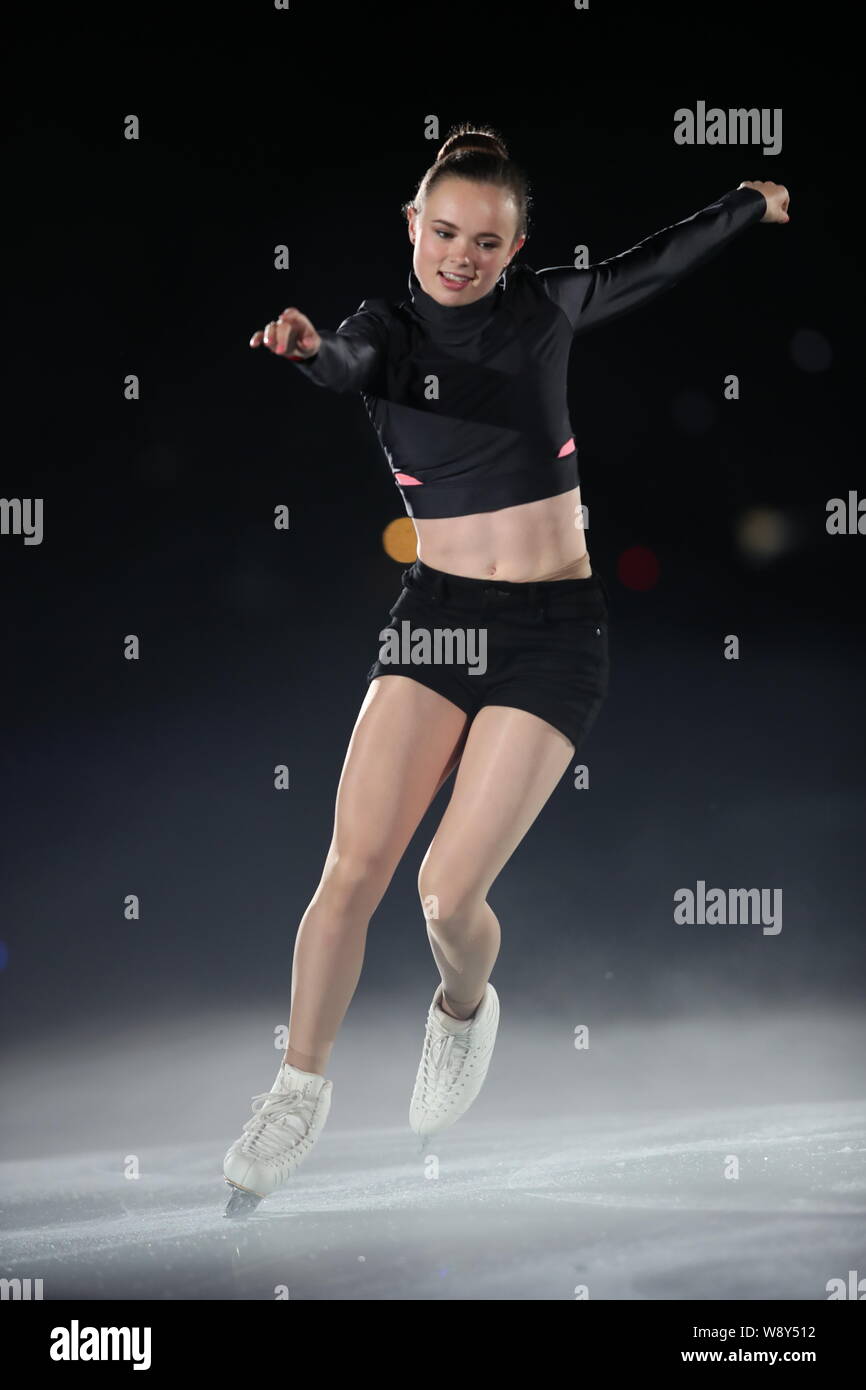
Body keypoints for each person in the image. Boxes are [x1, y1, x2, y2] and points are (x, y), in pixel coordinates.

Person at [223, 122, 789, 1216]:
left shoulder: (544, 310)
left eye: (485, 241)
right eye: (442, 232)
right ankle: (297, 1087)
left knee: (445, 894)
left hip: (549, 633)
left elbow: (652, 263)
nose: (459, 256)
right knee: (352, 866)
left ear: (516, 242)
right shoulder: (379, 334)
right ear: (411, 226)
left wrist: (743, 205)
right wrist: (304, 351)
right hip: (435, 619)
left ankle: (462, 1007)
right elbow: (338, 364)